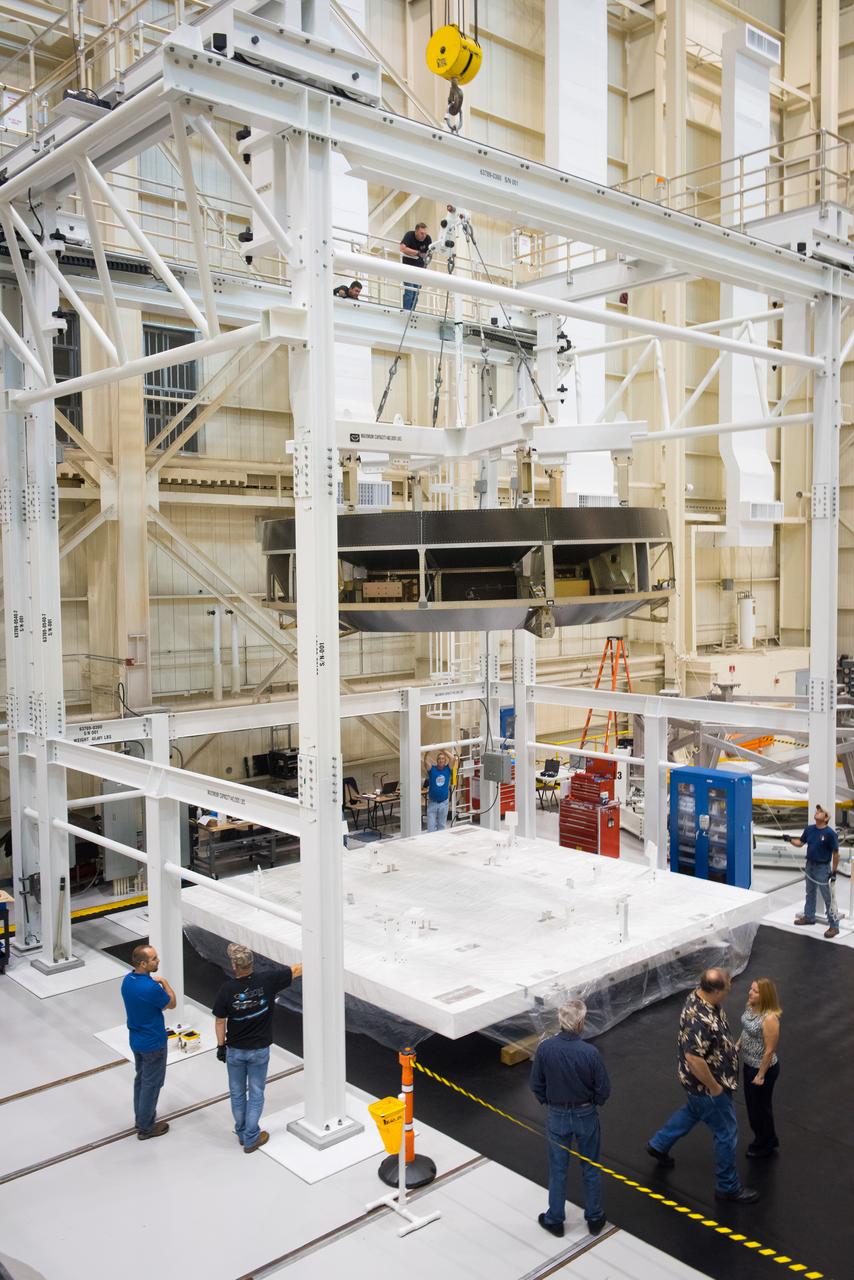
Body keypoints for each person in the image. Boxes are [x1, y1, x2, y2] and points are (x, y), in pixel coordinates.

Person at [646, 968, 759, 1204]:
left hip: (698, 1090)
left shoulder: (698, 996)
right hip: (708, 1087)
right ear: (715, 990)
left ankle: (659, 1144)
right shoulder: (699, 1020)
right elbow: (694, 1058)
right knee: (726, 1133)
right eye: (728, 985)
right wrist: (715, 1088)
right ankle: (728, 1186)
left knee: (691, 1112)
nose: (731, 988)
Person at [530, 999, 610, 1239]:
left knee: (558, 1169)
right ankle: (594, 1218)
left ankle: (555, 1219)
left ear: (560, 1021)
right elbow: (603, 1089)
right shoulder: (590, 1053)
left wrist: (550, 1102)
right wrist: (592, 1103)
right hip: (586, 1115)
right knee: (591, 1166)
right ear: (581, 1022)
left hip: (557, 1115)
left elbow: (536, 1084)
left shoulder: (545, 1049)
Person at [213, 943, 302, 1153]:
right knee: (256, 1093)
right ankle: (251, 1136)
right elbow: (296, 970)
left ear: (234, 965)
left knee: (236, 1093)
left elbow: (220, 1021)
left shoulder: (227, 990)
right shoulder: (268, 981)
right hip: (259, 1050)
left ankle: (242, 1130)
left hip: (235, 1050)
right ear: (252, 963)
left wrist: (220, 1046)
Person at [120, 943, 176, 1140]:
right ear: (143, 964)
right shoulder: (151, 988)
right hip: (153, 1042)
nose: (157, 961)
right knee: (152, 1084)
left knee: (141, 1080)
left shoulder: (128, 981)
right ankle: (146, 1126)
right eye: (153, 959)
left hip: (136, 1040)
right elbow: (171, 1003)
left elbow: (150, 1006)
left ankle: (141, 1117)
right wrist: (165, 983)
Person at [739, 977, 781, 1159]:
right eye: (751, 988)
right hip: (748, 1065)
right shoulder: (751, 1006)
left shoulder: (769, 1018)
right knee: (752, 1107)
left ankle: (766, 1143)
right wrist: (738, 1044)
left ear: (765, 996)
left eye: (755, 991)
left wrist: (761, 1074)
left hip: (762, 1070)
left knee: (761, 1109)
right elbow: (746, 1029)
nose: (750, 993)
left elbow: (770, 1049)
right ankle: (764, 1138)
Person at [787, 804, 840, 938]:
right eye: (817, 810)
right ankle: (809, 917)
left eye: (820, 811)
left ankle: (834, 926)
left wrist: (833, 872)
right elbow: (801, 843)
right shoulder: (809, 829)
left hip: (822, 868)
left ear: (826, 817)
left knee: (828, 897)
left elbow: (836, 854)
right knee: (809, 892)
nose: (817, 812)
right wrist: (790, 840)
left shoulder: (830, 834)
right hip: (809, 865)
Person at [399, 222, 432, 311]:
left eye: (425, 233)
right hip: (408, 268)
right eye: (421, 233)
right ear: (416, 231)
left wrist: (425, 265)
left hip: (420, 270)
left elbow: (429, 254)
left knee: (415, 293)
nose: (424, 235)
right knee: (409, 292)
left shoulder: (428, 239)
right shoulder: (409, 235)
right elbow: (402, 248)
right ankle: (406, 311)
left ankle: (411, 312)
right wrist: (418, 253)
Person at [424, 749, 454, 831]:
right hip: (432, 803)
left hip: (444, 803)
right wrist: (428, 751)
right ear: (437, 761)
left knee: (441, 827)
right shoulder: (432, 769)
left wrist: (442, 749)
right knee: (431, 828)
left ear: (445, 761)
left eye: (443, 758)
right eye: (439, 759)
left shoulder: (448, 769)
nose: (441, 760)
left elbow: (452, 758)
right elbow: (426, 761)